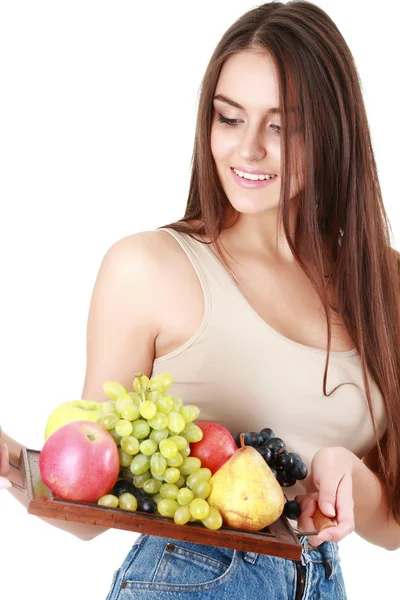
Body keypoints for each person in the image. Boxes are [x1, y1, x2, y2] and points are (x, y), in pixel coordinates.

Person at [1, 1, 400, 598]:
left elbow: (392, 525)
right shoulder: (149, 268)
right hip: (189, 579)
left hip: (317, 582)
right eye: (229, 118)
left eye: (282, 126)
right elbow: (92, 493)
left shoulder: (384, 284)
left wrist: (345, 474)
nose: (248, 151)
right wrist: (15, 466)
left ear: (332, 131)